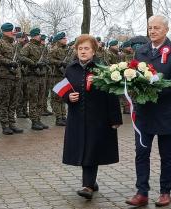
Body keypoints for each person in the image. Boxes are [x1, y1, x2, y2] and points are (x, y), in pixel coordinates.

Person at [125, 15, 171, 207]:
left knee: (166, 155)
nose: (152, 31)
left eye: (156, 28)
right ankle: (141, 192)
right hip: (144, 113)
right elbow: (134, 77)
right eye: (150, 28)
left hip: (166, 113)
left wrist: (154, 88)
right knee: (141, 154)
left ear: (166, 30)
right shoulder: (141, 51)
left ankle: (165, 192)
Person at [61, 34, 122, 200]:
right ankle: (91, 181)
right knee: (82, 150)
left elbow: (112, 94)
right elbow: (61, 88)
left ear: (94, 51)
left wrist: (115, 118)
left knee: (91, 150)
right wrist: (68, 97)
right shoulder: (70, 68)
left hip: (98, 119)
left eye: (86, 48)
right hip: (77, 118)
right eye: (80, 48)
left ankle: (87, 186)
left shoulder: (103, 69)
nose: (83, 51)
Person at [0, 23, 23, 135]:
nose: (12, 33)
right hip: (4, 77)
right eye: (10, 31)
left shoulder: (13, 45)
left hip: (15, 77)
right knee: (4, 102)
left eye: (12, 31)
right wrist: (9, 62)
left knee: (13, 102)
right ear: (5, 31)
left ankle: (12, 123)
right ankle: (5, 125)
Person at [19, 27, 49, 130]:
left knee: (40, 99)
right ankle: (34, 121)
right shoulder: (28, 46)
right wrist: (34, 64)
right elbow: (21, 57)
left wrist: (44, 62)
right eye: (39, 35)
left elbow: (46, 58)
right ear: (34, 36)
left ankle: (38, 119)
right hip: (32, 76)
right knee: (33, 99)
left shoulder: (41, 46)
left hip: (41, 76)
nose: (40, 36)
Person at [48, 32, 68, 126]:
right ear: (59, 40)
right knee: (56, 98)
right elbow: (49, 59)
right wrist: (60, 63)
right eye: (64, 38)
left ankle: (64, 116)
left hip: (63, 76)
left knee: (63, 97)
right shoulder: (54, 49)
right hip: (55, 76)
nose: (66, 40)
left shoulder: (65, 49)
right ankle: (58, 118)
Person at [15, 32, 30, 119]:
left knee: (26, 93)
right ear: (18, 38)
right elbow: (19, 57)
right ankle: (19, 111)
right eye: (22, 38)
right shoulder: (16, 47)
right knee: (19, 93)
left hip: (25, 72)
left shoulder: (25, 46)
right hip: (19, 72)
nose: (24, 39)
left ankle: (24, 110)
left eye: (24, 37)